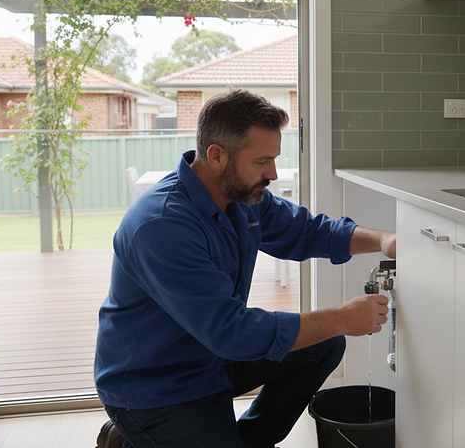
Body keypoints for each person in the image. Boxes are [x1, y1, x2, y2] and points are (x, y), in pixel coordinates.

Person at [94, 89, 396, 448]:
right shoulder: (161, 226)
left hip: (211, 357)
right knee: (331, 327)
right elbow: (230, 331)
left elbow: (308, 230)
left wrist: (383, 239)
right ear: (217, 155)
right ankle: (132, 434)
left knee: (324, 343)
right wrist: (343, 317)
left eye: (274, 159)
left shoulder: (243, 198)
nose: (272, 172)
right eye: (261, 161)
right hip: (157, 383)